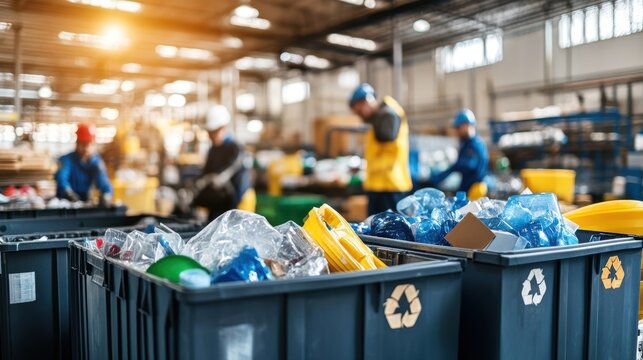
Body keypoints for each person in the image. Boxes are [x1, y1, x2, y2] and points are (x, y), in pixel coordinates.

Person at [349, 83, 412, 215]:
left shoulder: (387, 114)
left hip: (390, 185)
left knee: (391, 231)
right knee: (374, 230)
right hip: (378, 184)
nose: (361, 116)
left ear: (367, 101)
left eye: (360, 111)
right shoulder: (377, 118)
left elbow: (386, 136)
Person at [192, 105, 255, 221]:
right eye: (209, 132)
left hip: (239, 206)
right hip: (219, 204)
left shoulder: (236, 149)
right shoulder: (213, 150)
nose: (210, 136)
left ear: (223, 128)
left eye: (214, 132)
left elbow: (228, 173)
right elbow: (206, 172)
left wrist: (214, 179)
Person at [432, 109, 489, 195]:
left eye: (458, 127)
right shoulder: (467, 143)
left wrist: (450, 169)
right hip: (468, 188)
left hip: (474, 190)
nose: (456, 131)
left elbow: (468, 165)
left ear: (466, 125)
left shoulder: (475, 145)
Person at [56, 123, 113, 205]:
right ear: (77, 143)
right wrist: (67, 192)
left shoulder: (96, 162)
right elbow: (62, 178)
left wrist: (107, 195)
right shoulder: (66, 160)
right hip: (65, 203)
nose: (87, 148)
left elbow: (103, 179)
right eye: (84, 144)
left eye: (90, 144)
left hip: (84, 201)